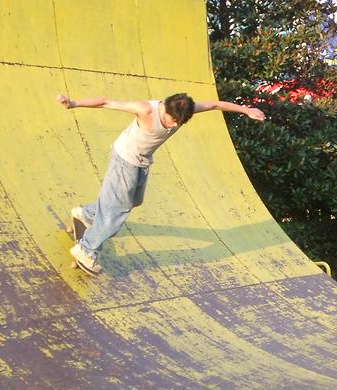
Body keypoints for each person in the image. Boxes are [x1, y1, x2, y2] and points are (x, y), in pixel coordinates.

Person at [56, 92, 266, 274]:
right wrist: (72, 103)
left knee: (134, 201)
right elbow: (105, 102)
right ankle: (86, 249)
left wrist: (247, 110)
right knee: (116, 212)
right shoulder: (145, 109)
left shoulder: (186, 108)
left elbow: (216, 104)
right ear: (164, 108)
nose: (174, 125)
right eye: (171, 120)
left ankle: (87, 214)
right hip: (124, 160)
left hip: (141, 161)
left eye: (179, 123)